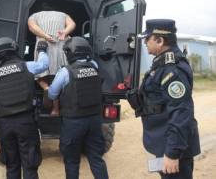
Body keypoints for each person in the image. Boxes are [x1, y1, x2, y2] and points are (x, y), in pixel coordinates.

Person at [126, 19, 200, 179]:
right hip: (163, 139)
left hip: (173, 146)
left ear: (160, 41)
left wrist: (172, 153)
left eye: (148, 39)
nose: (145, 43)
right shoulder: (161, 64)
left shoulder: (172, 70)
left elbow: (181, 112)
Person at [0, 37, 49, 179]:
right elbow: (44, 65)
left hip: (5, 124)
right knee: (30, 164)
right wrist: (42, 50)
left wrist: (4, 105)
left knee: (12, 165)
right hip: (26, 122)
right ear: (14, 49)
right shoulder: (26, 66)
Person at [44, 36, 109, 179]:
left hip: (74, 122)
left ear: (70, 53)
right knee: (96, 159)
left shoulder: (65, 72)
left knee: (72, 161)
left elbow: (52, 94)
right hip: (94, 120)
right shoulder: (94, 66)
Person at [28, 4, 76, 115]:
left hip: (43, 47)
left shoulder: (34, 16)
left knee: (39, 75)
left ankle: (46, 88)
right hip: (60, 47)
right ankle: (56, 109)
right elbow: (72, 24)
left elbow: (32, 27)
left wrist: (44, 35)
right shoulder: (63, 15)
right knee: (58, 76)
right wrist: (64, 32)